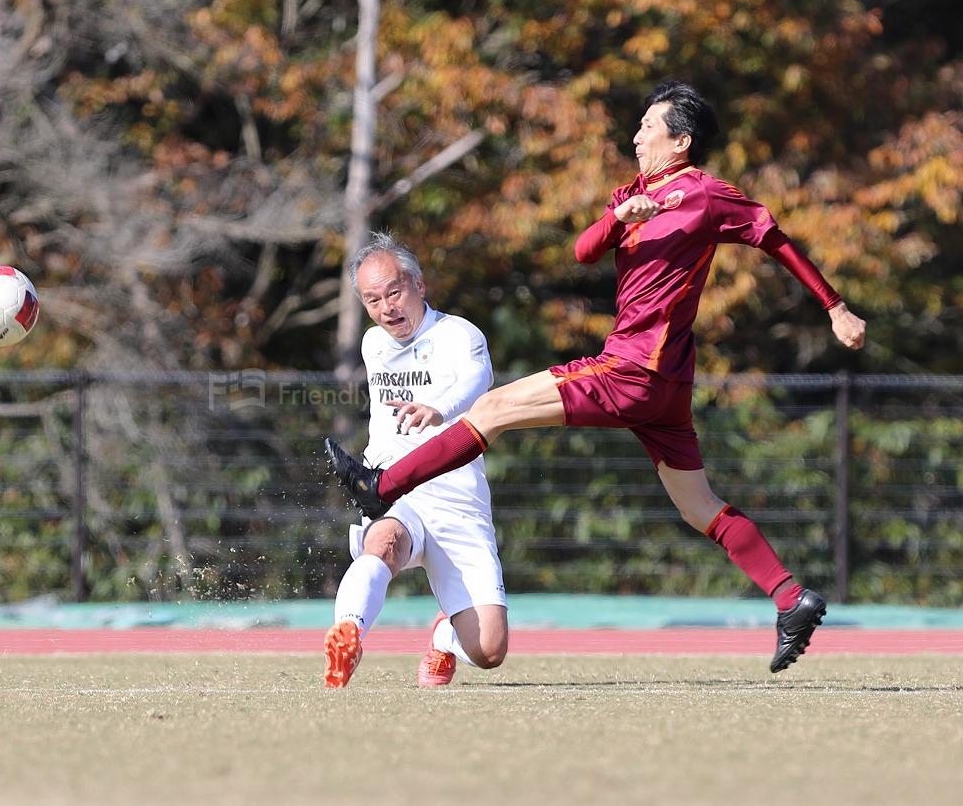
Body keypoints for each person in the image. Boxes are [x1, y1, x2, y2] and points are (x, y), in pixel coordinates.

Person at [325, 80, 867, 674]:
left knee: (492, 410)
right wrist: (618, 217)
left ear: (681, 141)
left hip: (633, 369)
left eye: (648, 126)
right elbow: (584, 251)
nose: (636, 136)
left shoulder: (709, 195)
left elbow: (774, 238)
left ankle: (381, 487)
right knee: (699, 507)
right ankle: (790, 597)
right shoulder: (633, 194)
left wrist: (835, 306)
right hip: (664, 387)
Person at [323, 232, 508, 688]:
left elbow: (479, 377)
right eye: (372, 300)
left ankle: (444, 636)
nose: (386, 307)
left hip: (456, 497)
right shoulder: (373, 343)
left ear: (419, 285)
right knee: (383, 543)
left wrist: (439, 409)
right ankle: (347, 634)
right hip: (395, 487)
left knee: (489, 651)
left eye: (394, 292)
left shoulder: (459, 334)